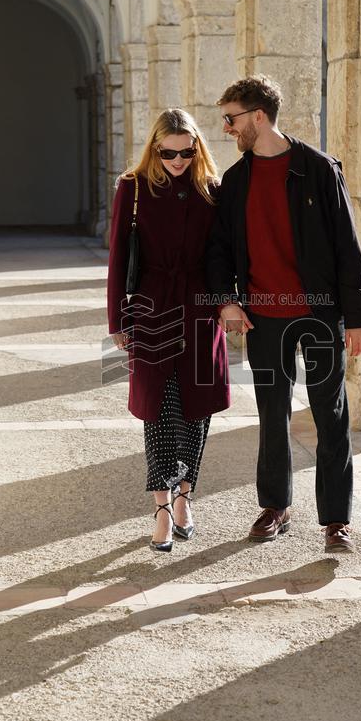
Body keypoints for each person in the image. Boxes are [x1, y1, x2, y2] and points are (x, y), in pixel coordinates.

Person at [206, 75, 361, 554]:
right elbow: (218, 250)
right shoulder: (234, 182)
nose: (226, 129)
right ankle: (275, 506)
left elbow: (346, 244)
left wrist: (357, 316)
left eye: (231, 119)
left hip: (320, 312)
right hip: (263, 314)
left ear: (258, 116)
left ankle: (336, 519)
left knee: (330, 414)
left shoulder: (319, 169)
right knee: (272, 412)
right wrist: (227, 299)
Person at [108, 108, 229, 552]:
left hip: (200, 310)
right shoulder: (133, 188)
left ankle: (184, 498)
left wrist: (226, 303)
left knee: (196, 410)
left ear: (196, 147)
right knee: (158, 408)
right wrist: (117, 319)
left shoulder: (212, 190)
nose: (177, 160)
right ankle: (161, 506)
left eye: (185, 151)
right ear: (154, 148)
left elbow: (223, 253)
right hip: (151, 306)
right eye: (168, 152)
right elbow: (119, 257)